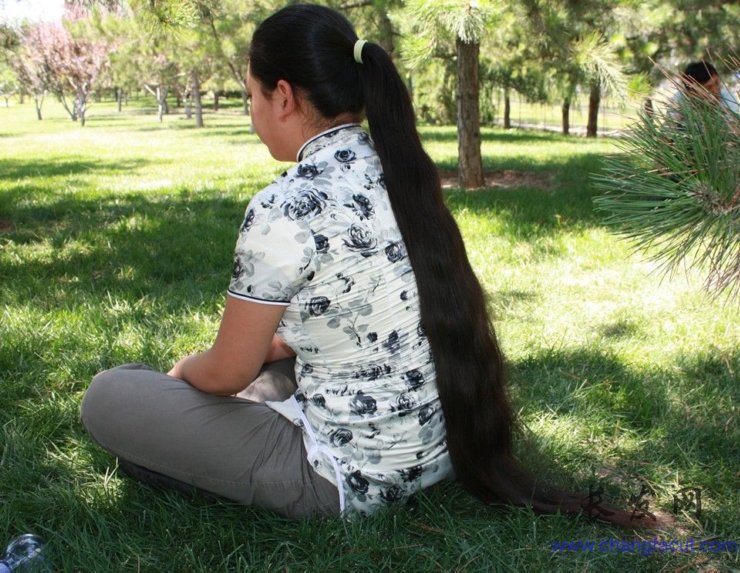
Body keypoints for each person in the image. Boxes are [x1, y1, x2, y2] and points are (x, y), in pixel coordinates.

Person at [81, 3, 641, 525]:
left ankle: (173, 450)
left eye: (251, 95)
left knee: (111, 393)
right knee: (263, 375)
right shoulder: (398, 169)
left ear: (282, 96)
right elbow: (361, 307)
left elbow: (226, 373)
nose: (252, 112)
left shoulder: (284, 206)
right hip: (443, 448)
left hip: (345, 478)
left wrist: (183, 371)